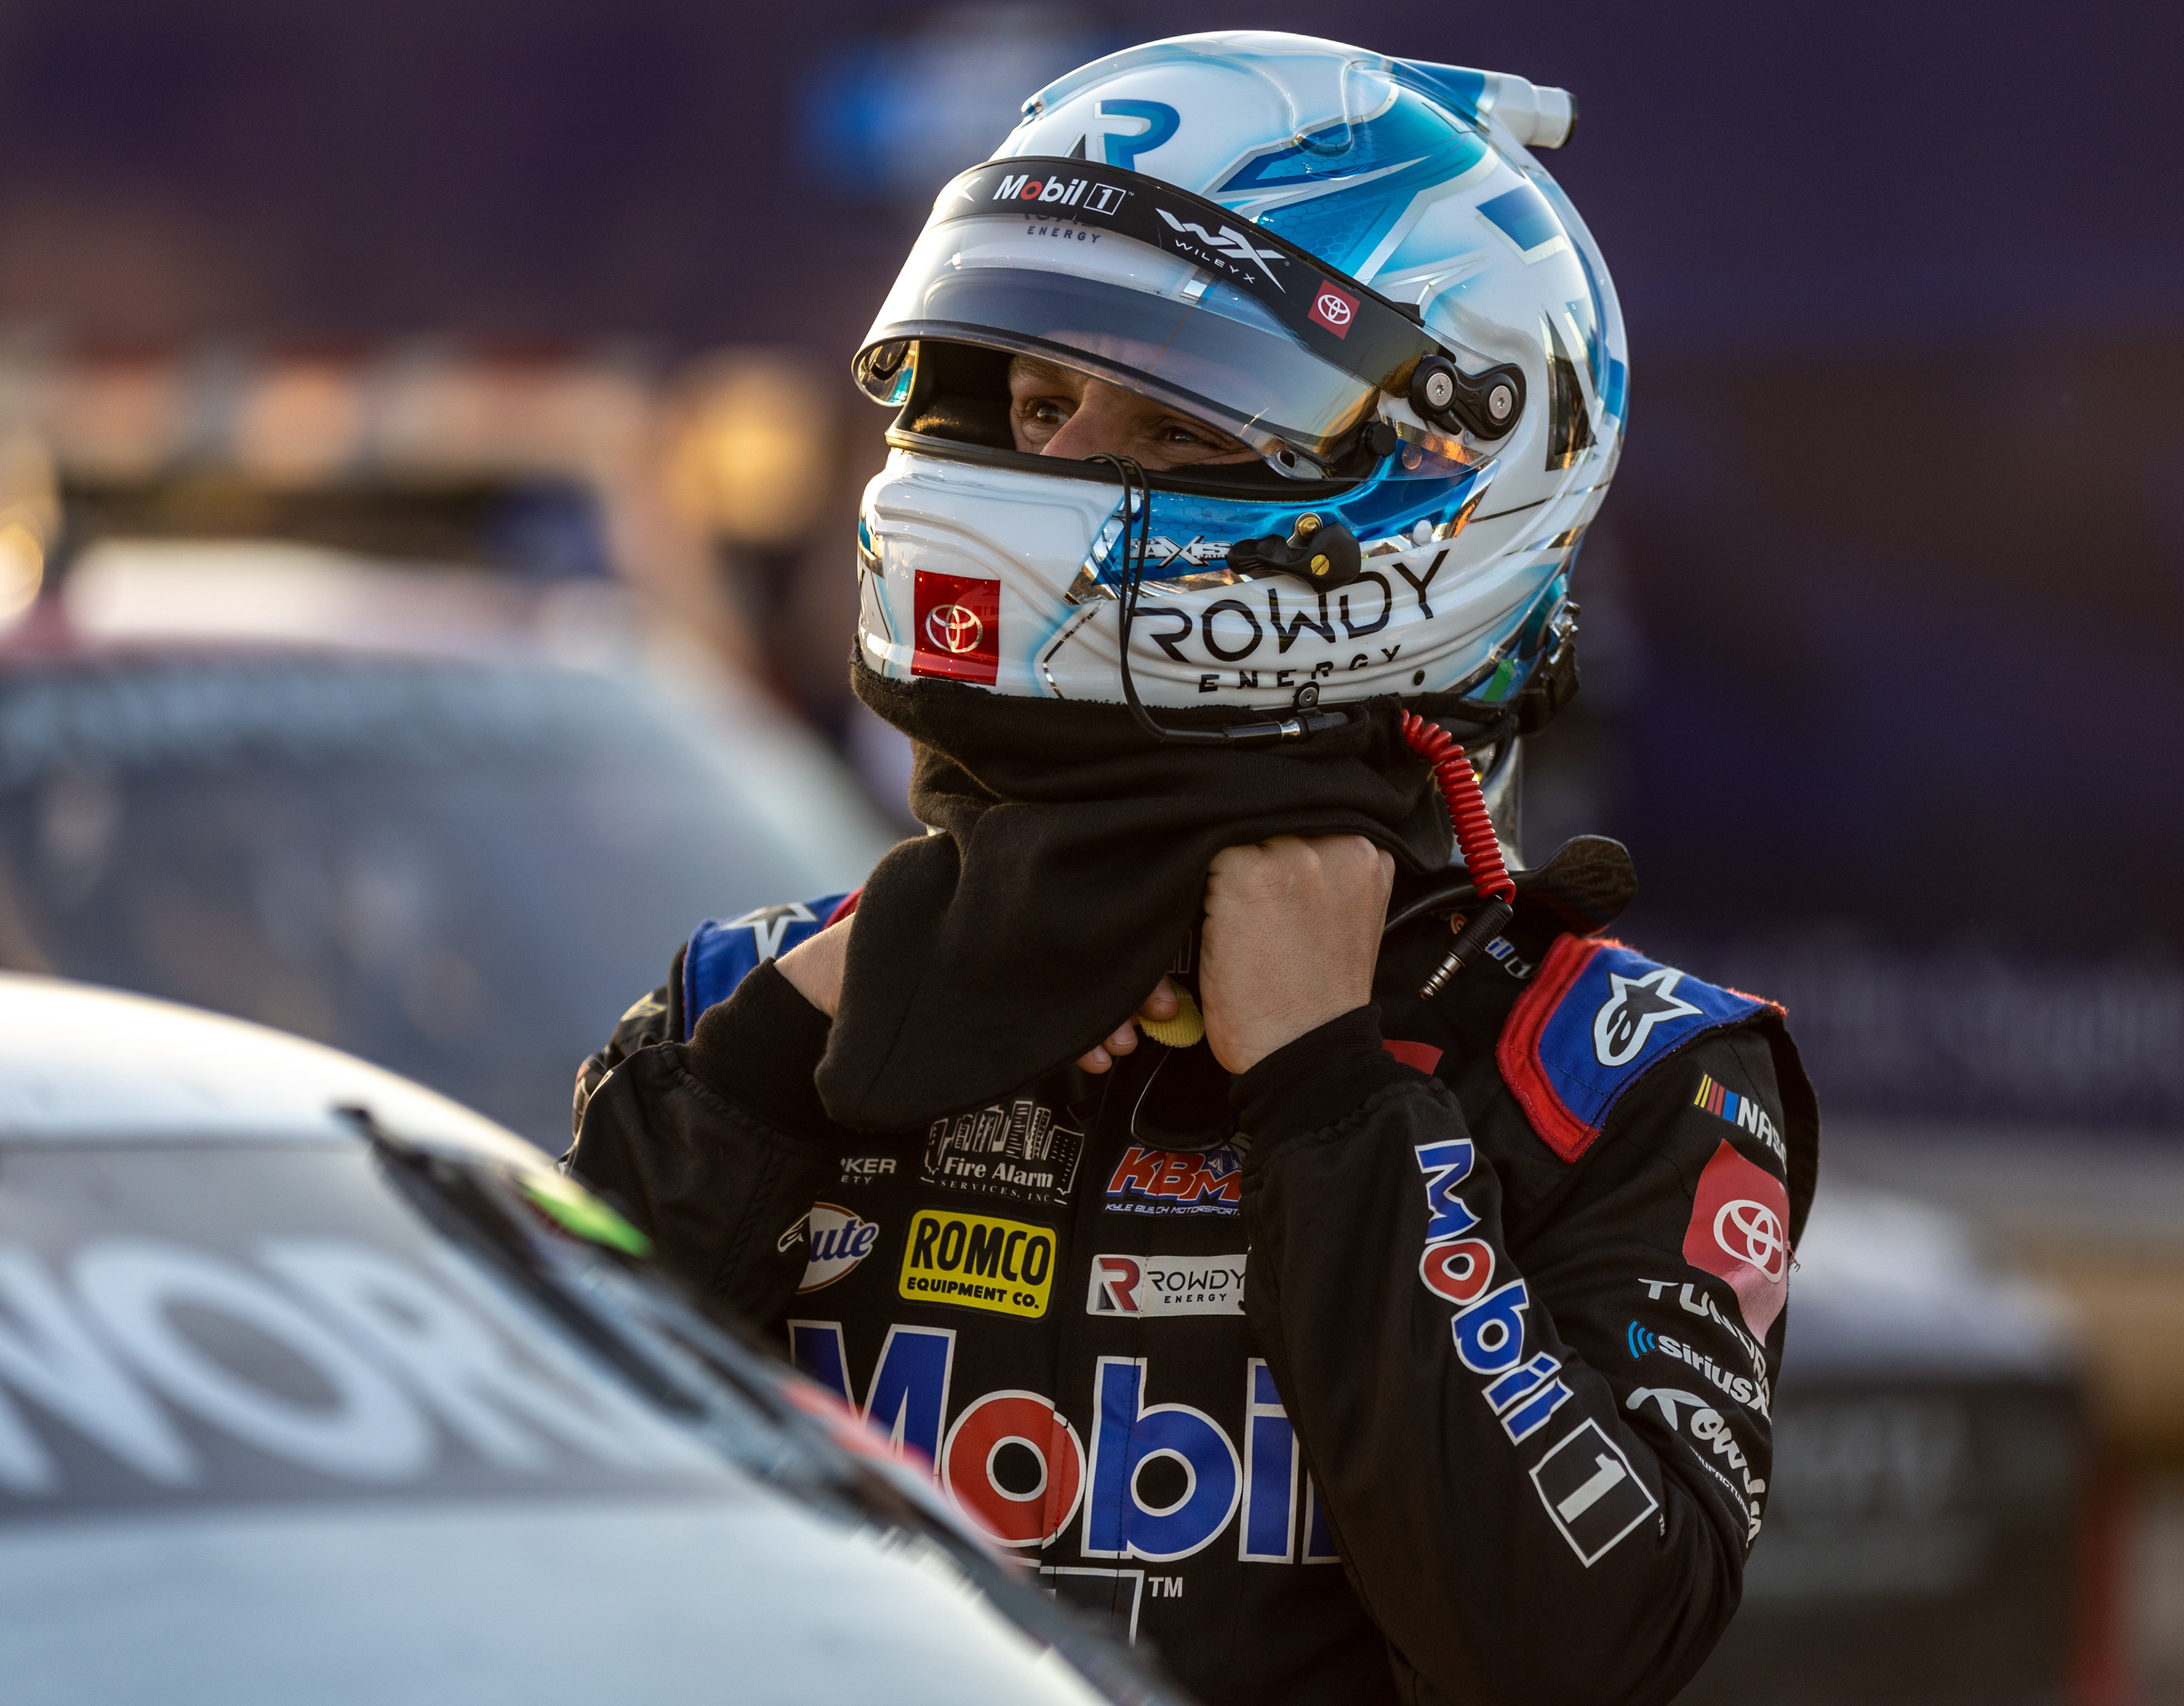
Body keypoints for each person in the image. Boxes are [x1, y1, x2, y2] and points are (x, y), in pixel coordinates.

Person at [570, 31, 1815, 1706]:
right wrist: (776, 1074)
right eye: (1030, 398)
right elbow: (499, 1532)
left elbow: (1572, 1649)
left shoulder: (1622, 1076)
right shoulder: (760, 1007)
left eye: (1167, 414)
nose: (1050, 467)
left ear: (1439, 472)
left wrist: (1332, 1101)